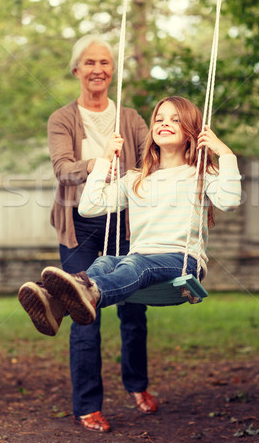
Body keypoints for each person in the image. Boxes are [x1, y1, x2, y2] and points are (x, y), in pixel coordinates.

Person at [20, 95, 242, 397]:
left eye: (175, 119)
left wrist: (224, 152)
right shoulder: (136, 179)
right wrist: (102, 163)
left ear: (193, 131)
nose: (165, 123)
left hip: (182, 262)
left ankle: (90, 292)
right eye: (160, 119)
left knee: (131, 262)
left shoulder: (201, 174)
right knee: (105, 262)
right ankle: (56, 304)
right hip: (140, 260)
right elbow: (89, 206)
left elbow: (229, 201)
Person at [18, 35, 157, 434]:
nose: (98, 69)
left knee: (133, 310)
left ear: (112, 71)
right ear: (76, 69)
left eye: (105, 63)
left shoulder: (129, 118)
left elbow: (153, 158)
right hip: (79, 226)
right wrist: (101, 161)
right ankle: (87, 406)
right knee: (84, 313)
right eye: (89, 62)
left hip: (126, 223)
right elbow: (64, 169)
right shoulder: (63, 118)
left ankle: (137, 386)